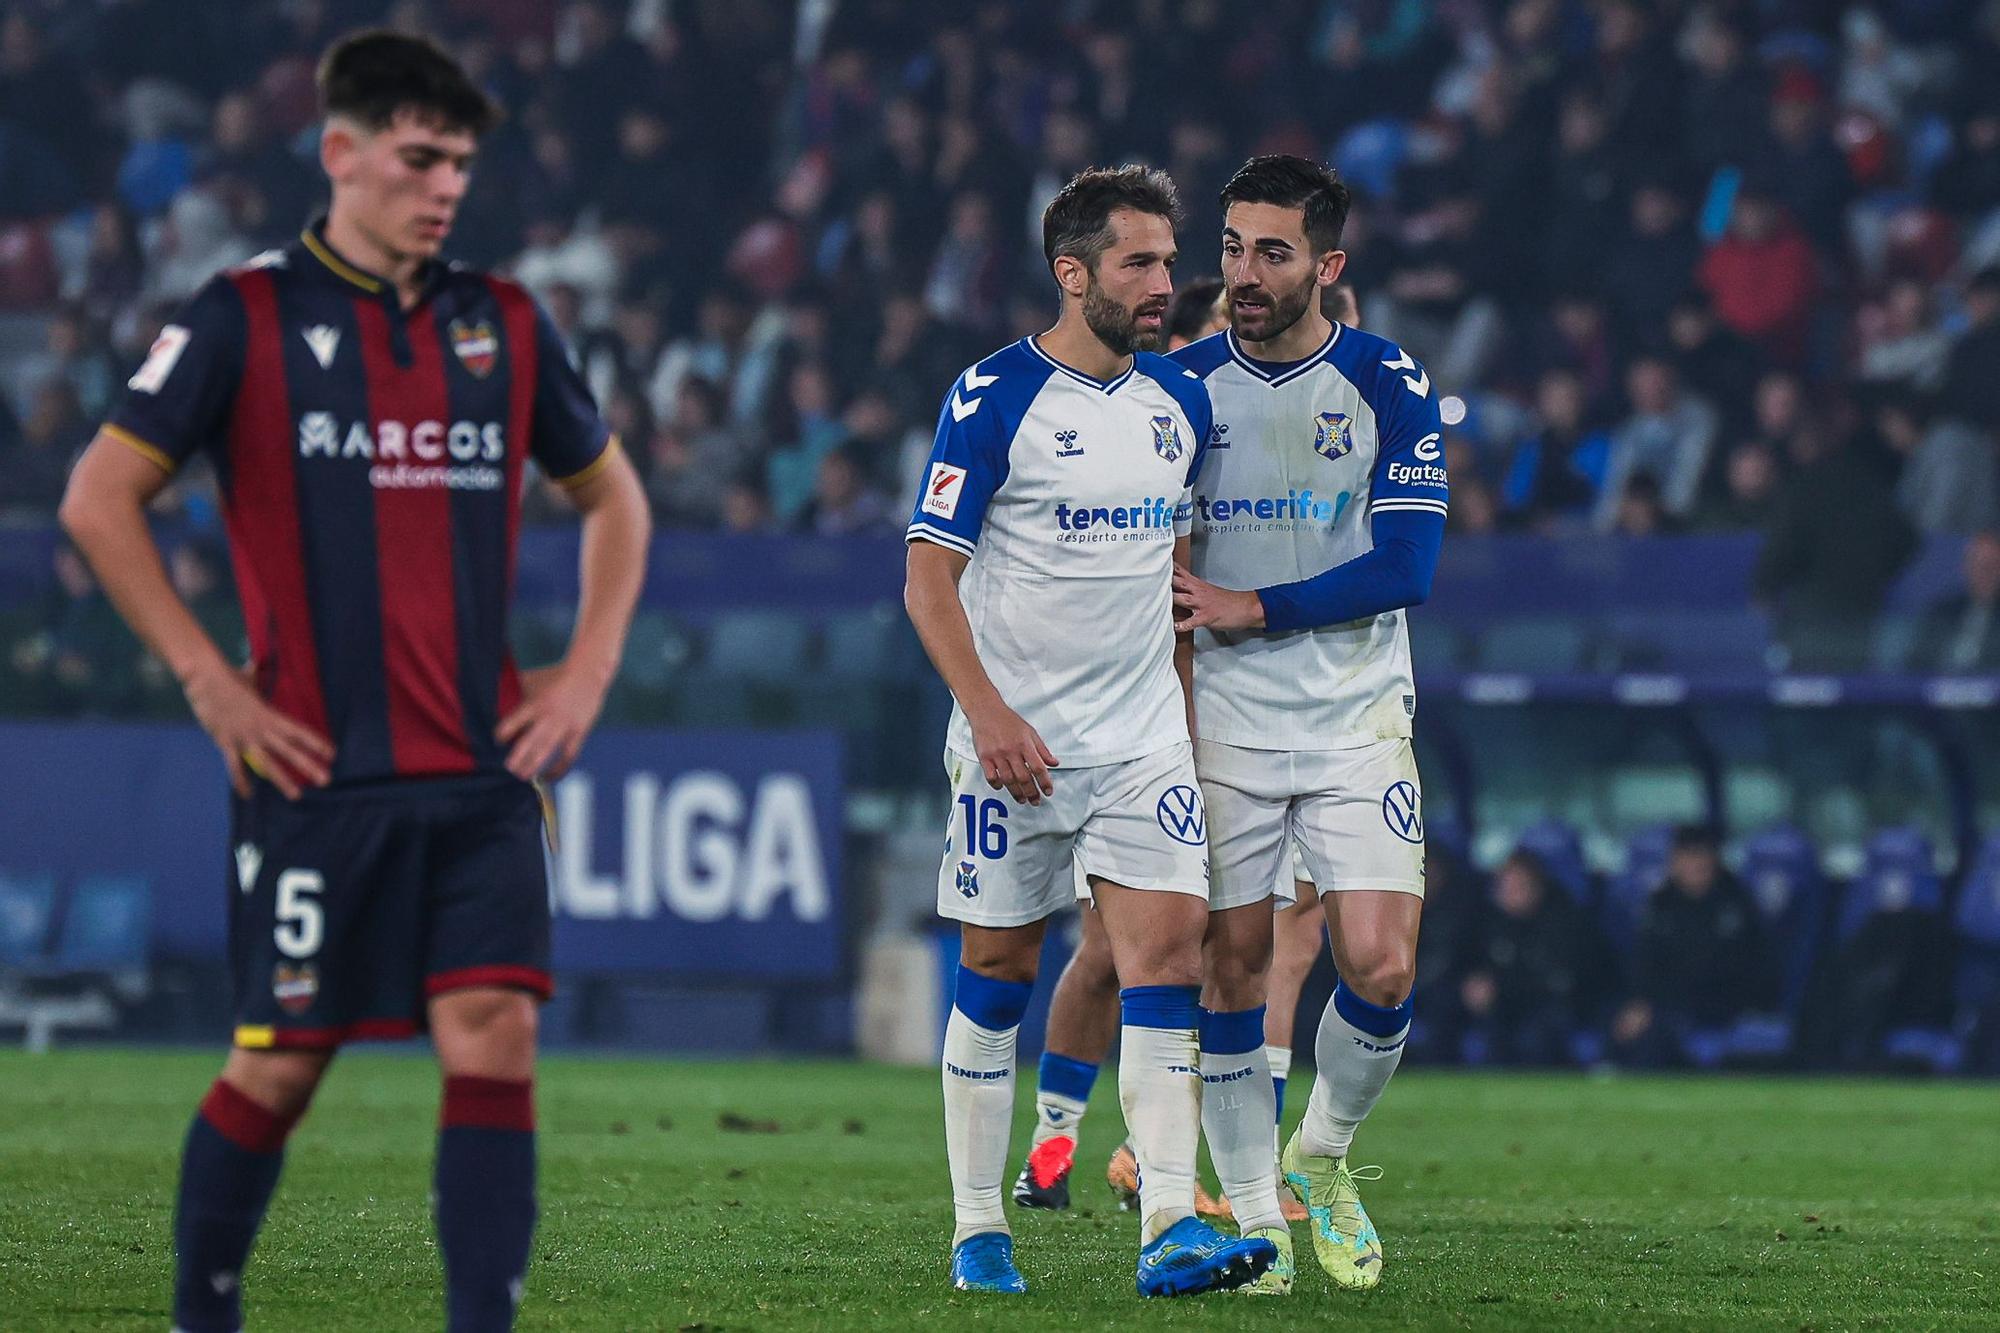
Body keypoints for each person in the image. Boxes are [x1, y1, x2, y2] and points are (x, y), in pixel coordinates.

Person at [56, 32, 651, 1333]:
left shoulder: (502, 322)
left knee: (495, 1030)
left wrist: (587, 671)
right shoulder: (241, 317)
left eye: (460, 165)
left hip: (481, 776)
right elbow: (99, 498)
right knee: (280, 1066)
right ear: (342, 153)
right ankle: (203, 1306)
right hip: (317, 777)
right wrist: (210, 680)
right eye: (420, 158)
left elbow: (614, 497)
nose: (445, 187)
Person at [903, 165, 1275, 1298]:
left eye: (1168, 261)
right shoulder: (992, 395)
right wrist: (990, 716)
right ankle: (977, 1229)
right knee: (997, 968)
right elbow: (926, 581)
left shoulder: (1178, 407)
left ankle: (1167, 1220)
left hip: (1141, 745)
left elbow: (1171, 578)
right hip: (1013, 749)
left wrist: (1189, 728)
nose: (1164, 283)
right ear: (1073, 274)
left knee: (1165, 960)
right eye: (1139, 263)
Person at [1167, 154, 1445, 1294]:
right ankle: (1254, 1220)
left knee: (1376, 963)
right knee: (1229, 968)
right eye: (1230, 246)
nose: (1241, 271)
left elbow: (1408, 563)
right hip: (1226, 720)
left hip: (1352, 713)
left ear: (1326, 264)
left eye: (1270, 251)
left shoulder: (1387, 381)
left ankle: (1319, 1156)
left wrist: (1255, 606)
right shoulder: (1178, 389)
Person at [1611, 826, 1775, 1066]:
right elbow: (1645, 963)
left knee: (1658, 1032)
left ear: (1715, 859)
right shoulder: (1660, 904)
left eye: (1701, 855)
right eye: (1687, 856)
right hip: (1668, 1006)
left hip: (1723, 1005)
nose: (1695, 864)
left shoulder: (1737, 905)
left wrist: (1659, 1004)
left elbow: (1747, 968)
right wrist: (1642, 1002)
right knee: (1621, 1018)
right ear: (1673, 861)